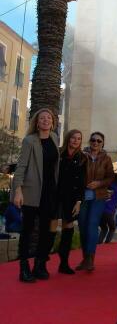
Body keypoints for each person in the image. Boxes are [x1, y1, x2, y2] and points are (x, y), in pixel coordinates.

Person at [11, 109, 60, 282]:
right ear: (36, 123)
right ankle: (24, 268)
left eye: (49, 118)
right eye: (42, 118)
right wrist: (18, 190)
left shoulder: (54, 137)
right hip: (31, 193)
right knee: (28, 231)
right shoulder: (29, 141)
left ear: (52, 122)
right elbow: (21, 167)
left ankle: (40, 265)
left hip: (49, 193)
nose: (46, 120)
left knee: (46, 232)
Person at [76, 131, 114, 272]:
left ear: (102, 143)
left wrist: (98, 183)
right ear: (89, 141)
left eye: (99, 141)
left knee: (92, 225)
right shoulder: (81, 156)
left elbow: (110, 177)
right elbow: (76, 174)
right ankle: (85, 257)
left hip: (98, 197)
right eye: (93, 140)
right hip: (82, 198)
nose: (96, 143)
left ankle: (90, 259)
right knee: (82, 227)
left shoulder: (106, 159)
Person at [50, 129, 86, 275]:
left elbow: (82, 181)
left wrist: (78, 201)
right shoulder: (58, 154)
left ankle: (64, 263)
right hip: (55, 196)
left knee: (68, 229)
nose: (75, 141)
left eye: (79, 138)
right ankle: (41, 262)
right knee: (51, 228)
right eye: (73, 138)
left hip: (71, 198)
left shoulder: (82, 158)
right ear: (68, 139)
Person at [98, 174, 117, 244]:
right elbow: (115, 204)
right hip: (109, 212)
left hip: (101, 211)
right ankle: (107, 243)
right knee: (112, 228)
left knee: (104, 228)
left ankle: (99, 243)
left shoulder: (106, 186)